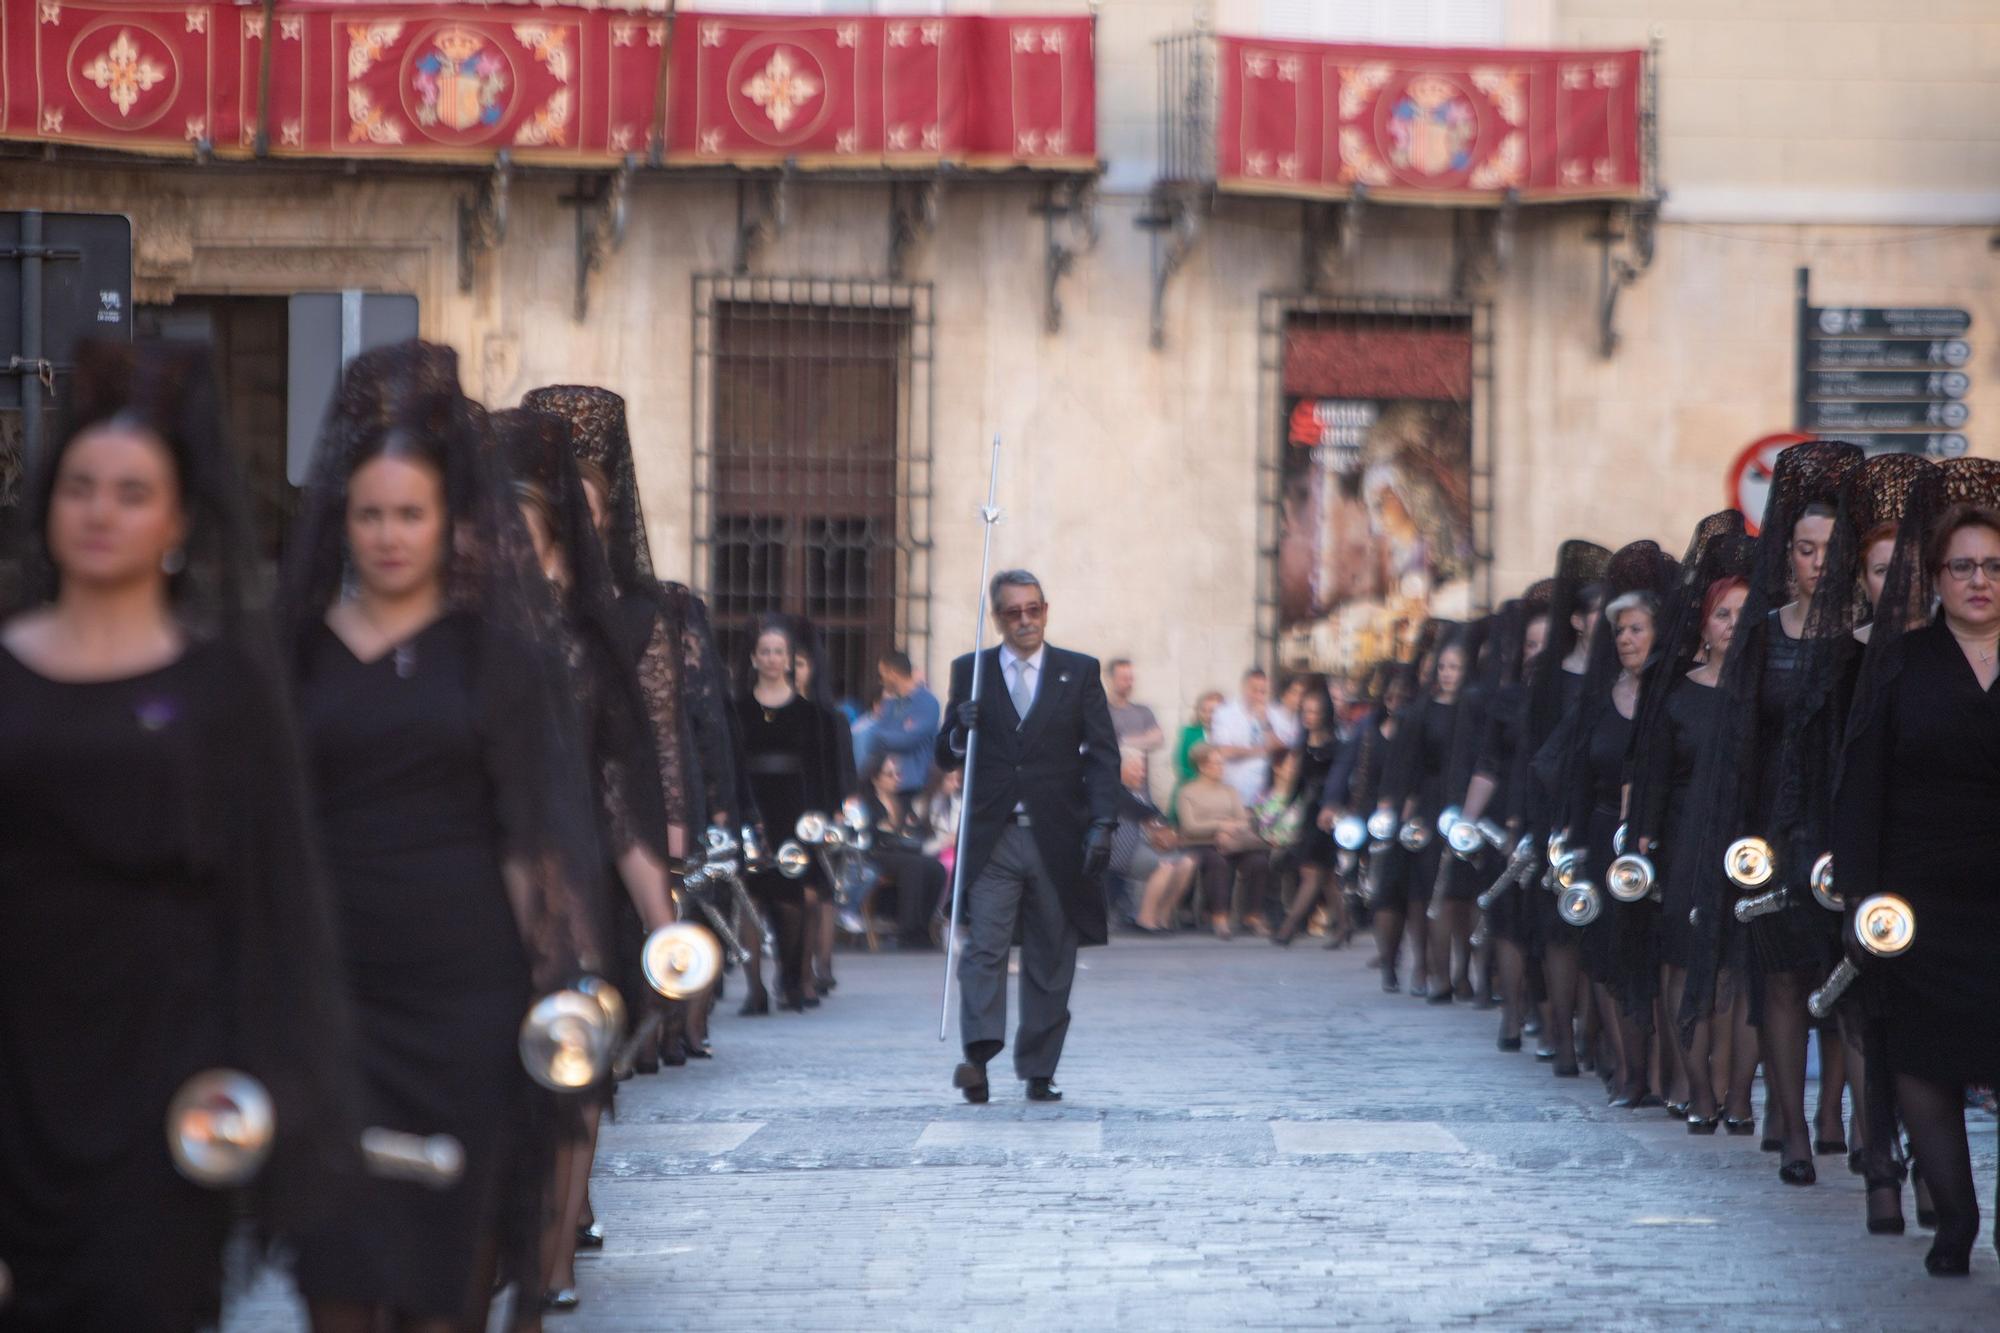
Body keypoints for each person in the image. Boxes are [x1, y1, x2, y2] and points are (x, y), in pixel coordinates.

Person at [0, 340, 354, 1332]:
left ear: (177, 521)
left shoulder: (220, 691)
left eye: (130, 490)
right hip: (18, 1066)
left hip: (166, 1071)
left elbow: (267, 894)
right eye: (80, 486)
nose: (100, 510)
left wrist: (267, 1078)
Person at [284, 342, 606, 1330]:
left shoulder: (494, 661)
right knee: (337, 1268)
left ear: (445, 525)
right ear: (343, 519)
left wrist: (561, 979)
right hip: (331, 997)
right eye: (369, 513)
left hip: (463, 998)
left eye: (409, 514)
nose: (387, 534)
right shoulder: (292, 656)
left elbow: (526, 838)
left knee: (445, 1279)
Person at [497, 406, 680, 1312]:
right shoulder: (461, 645)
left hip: (575, 897)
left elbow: (620, 792)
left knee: (573, 1091)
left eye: (524, 542)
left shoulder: (594, 646)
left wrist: (665, 922)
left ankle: (557, 1250)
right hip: (477, 895)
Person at [523, 384, 736, 1068]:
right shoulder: (495, 621)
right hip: (517, 840)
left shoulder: (643, 613)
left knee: (587, 1045)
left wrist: (668, 866)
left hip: (607, 832)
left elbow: (657, 741)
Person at [1683, 440, 1862, 1186]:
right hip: (1776, 835)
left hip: (1847, 834)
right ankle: (1791, 1127)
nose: (1817, 561)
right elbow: (1741, 746)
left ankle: (1857, 1129)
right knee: (1783, 982)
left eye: (1830, 549)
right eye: (1805, 548)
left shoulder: (1866, 640)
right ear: (1786, 555)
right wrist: (1739, 843)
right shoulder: (1762, 635)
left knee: (1853, 985)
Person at [1834, 482, 2000, 1276]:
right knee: (1924, 1059)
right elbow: (1862, 786)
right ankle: (1956, 1218)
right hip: (1921, 897)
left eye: (1996, 565)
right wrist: (1864, 900)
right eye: (1963, 565)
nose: (1980, 580)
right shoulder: (1901, 664)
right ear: (1933, 577)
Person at [937, 569, 1119, 1104]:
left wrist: (1103, 823)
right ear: (997, 618)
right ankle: (978, 1056)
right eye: (1013, 612)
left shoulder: (1078, 671)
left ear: (1046, 609)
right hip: (993, 835)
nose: (1025, 621)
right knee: (983, 951)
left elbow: (1104, 755)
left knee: (1051, 954)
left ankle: (1040, 1068)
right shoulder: (971, 671)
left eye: (1033, 609)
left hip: (1058, 835)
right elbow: (944, 755)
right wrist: (957, 728)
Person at [1627, 514, 1754, 1136]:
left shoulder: (1766, 692)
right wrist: (1644, 842)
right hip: (1683, 844)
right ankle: (1697, 1085)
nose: (1734, 625)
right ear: (1703, 624)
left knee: (1735, 969)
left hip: (1749, 845)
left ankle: (1734, 1090)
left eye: (1744, 614)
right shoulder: (1676, 694)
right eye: (1723, 614)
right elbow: (1650, 776)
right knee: (1682, 962)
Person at [1523, 541, 1611, 1073]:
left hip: (1599, 805)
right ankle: (1559, 1028)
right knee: (1560, 922)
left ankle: (1594, 1032)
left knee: (1599, 918)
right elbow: (1534, 752)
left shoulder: (1618, 674)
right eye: (1599, 615)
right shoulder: (1551, 677)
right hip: (1555, 808)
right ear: (1578, 621)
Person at [735, 618, 848, 1012]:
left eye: (778, 652)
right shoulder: (737, 710)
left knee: (793, 898)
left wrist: (820, 817)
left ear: (789, 659)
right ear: (754, 658)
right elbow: (731, 762)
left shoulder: (810, 714)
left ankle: (791, 977)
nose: (771, 658)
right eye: (764, 651)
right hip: (752, 807)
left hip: (796, 810)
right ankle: (754, 988)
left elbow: (823, 768)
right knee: (750, 897)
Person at [1273, 681, 1348, 946]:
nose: (1309, 716)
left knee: (1312, 872)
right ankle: (1345, 925)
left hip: (1327, 815)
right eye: (1305, 711)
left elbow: (1340, 784)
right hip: (1308, 813)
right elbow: (1297, 784)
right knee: (1326, 876)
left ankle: (1289, 927)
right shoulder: (1303, 744)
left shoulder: (1336, 745)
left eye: (1314, 711)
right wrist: (1282, 809)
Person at [1175, 744, 1274, 940]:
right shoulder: (1187, 792)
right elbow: (1189, 826)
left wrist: (1231, 831)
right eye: (1216, 763)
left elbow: (1243, 821)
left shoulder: (1229, 790)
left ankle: (1252, 915)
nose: (1221, 767)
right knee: (1216, 862)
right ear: (1202, 766)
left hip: (1232, 841)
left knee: (1258, 861)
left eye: (1222, 763)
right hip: (1201, 842)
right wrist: (1220, 826)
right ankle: (1219, 916)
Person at [856, 752, 948, 950]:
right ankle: (908, 929)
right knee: (913, 866)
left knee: (936, 868)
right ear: (876, 778)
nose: (897, 778)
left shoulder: (903, 802)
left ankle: (925, 926)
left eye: (898, 774)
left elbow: (917, 830)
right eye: (890, 774)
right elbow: (868, 833)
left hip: (902, 850)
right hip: (878, 852)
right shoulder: (868, 803)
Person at [1112, 752, 1197, 932]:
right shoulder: (1113, 790)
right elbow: (1143, 813)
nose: (1141, 774)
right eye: (1136, 770)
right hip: (1122, 850)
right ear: (1119, 769)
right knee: (1165, 865)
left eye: (1143, 770)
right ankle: (1145, 919)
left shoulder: (1142, 792)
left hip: (1147, 847)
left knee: (1187, 863)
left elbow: (1160, 818)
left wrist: (1165, 831)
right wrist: (1157, 826)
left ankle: (1163, 917)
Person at [1209, 668, 1287, 805]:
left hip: (1263, 792)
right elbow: (1225, 751)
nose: (1258, 695)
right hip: (1232, 790)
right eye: (1254, 690)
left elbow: (1280, 749)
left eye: (1262, 691)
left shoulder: (1274, 713)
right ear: (1244, 688)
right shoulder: (1224, 713)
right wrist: (1261, 750)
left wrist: (1265, 722)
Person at [872, 649, 940, 802]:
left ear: (893, 673)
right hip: (885, 785)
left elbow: (907, 740)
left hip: (914, 789)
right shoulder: (890, 703)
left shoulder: (927, 702)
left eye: (882, 674)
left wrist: (875, 735)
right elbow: (881, 739)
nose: (881, 680)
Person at [1107, 657, 1167, 787]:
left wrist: (1122, 741)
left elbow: (1158, 739)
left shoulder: (1143, 711)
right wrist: (1142, 740)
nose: (1129, 683)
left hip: (1140, 787)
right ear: (1111, 680)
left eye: (1131, 678)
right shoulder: (1101, 712)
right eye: (1124, 678)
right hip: (1111, 786)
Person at [1175, 689, 1225, 786]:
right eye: (1203, 710)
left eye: (1212, 711)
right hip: (1193, 788)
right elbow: (1181, 765)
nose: (1207, 715)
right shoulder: (1188, 733)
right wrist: (1204, 782)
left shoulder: (1231, 736)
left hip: (1223, 789)